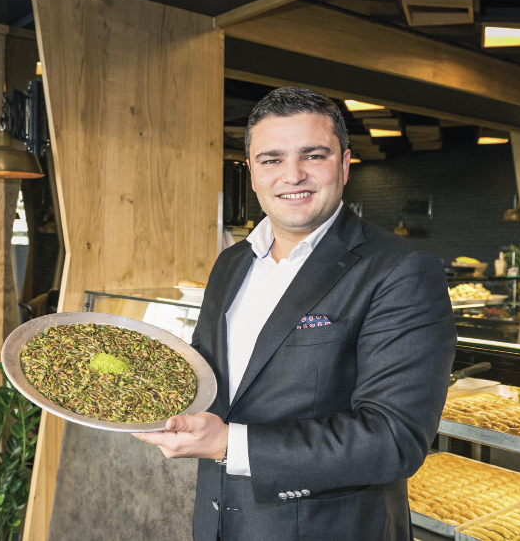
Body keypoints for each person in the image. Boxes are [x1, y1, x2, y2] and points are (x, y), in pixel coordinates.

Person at [133, 87, 456, 541]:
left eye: (313, 155)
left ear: (344, 164)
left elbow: (393, 439)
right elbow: (213, 382)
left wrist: (229, 444)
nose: (293, 175)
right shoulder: (231, 263)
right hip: (219, 520)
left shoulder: (400, 269)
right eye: (271, 160)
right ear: (252, 172)